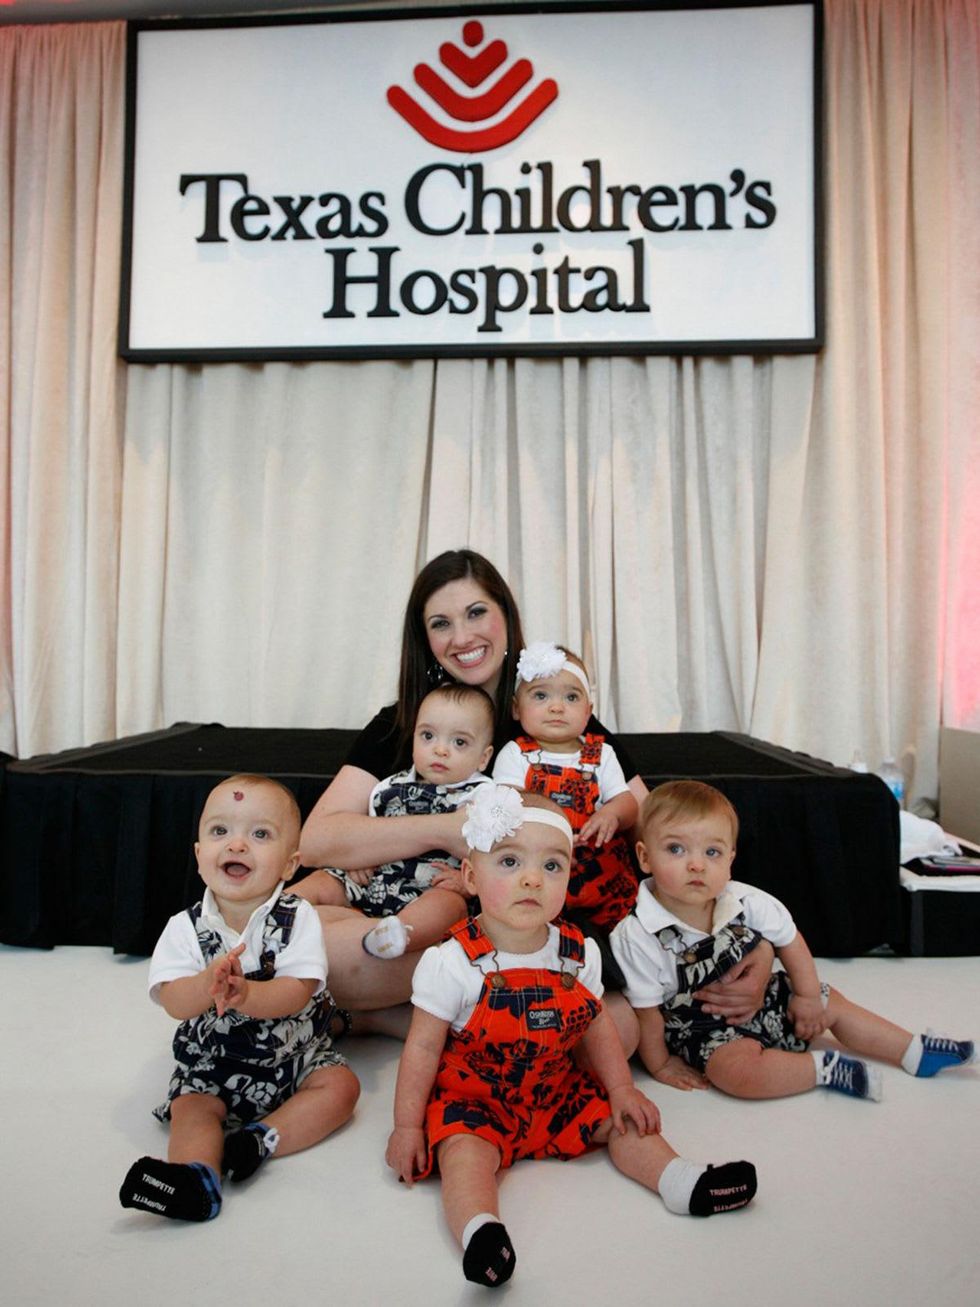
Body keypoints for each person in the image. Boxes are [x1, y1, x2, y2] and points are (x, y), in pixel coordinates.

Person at [299, 548, 776, 1026]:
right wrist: (447, 829)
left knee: (619, 1029)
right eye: (441, 623)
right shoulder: (405, 722)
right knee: (307, 933)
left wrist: (748, 937)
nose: (462, 637)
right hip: (403, 913)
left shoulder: (555, 719)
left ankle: (375, 1016)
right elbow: (318, 840)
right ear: (424, 638)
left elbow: (665, 833)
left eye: (476, 613)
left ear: (507, 616)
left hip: (510, 923)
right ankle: (398, 1014)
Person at [385, 787, 758, 1288]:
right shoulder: (451, 961)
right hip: (478, 1102)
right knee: (464, 1156)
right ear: (471, 877)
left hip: (555, 1090)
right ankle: (481, 1232)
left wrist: (621, 1087)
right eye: (510, 861)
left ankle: (681, 1181)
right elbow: (423, 1048)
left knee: (622, 1122)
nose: (532, 879)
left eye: (553, 866)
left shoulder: (576, 950)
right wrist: (407, 1127)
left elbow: (597, 1022)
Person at [611, 780, 975, 1101]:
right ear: (645, 857)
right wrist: (659, 1064)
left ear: (731, 860)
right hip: (703, 1027)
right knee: (736, 1074)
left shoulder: (745, 900)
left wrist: (807, 997)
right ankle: (822, 1068)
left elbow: (791, 941)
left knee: (834, 1002)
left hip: (766, 996)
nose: (696, 865)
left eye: (712, 852)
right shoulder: (639, 932)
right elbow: (647, 1011)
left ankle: (912, 1049)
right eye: (676, 849)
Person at [119, 774, 360, 1222]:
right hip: (213, 1066)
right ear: (198, 855)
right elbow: (173, 1001)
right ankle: (196, 1180)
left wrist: (246, 993)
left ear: (290, 865)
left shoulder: (298, 917)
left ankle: (259, 1139)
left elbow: (297, 992)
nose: (236, 845)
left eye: (260, 834)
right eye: (219, 831)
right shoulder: (185, 928)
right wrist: (207, 983)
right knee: (190, 1108)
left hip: (294, 1060)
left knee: (342, 1088)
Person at [296, 683, 493, 960]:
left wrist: (468, 882)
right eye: (428, 736)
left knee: (447, 905)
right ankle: (274, 913)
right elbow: (367, 836)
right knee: (324, 880)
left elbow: (496, 854)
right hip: (375, 884)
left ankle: (399, 935)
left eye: (459, 742)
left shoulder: (483, 797)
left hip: (434, 887)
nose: (440, 750)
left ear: (484, 758)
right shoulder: (388, 787)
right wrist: (358, 861)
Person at [492, 640, 640, 933]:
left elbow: (628, 803)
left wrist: (612, 814)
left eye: (571, 698)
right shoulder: (515, 754)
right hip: (539, 870)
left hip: (601, 872)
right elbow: (504, 805)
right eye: (541, 696)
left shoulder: (602, 754)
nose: (557, 707)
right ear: (516, 710)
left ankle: (621, 960)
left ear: (588, 712)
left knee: (628, 924)